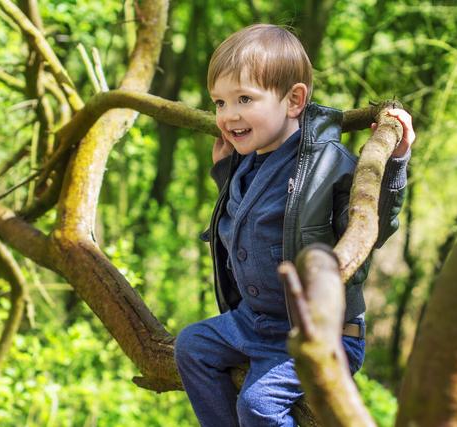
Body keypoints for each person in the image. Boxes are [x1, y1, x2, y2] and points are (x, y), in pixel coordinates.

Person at [174, 24, 414, 427]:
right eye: (219, 103)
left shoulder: (328, 164)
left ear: (294, 100)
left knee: (258, 404)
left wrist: (394, 163)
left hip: (320, 333)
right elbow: (247, 222)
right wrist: (224, 175)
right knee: (191, 346)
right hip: (255, 322)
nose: (228, 115)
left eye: (244, 99)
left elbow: (372, 224)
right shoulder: (244, 163)